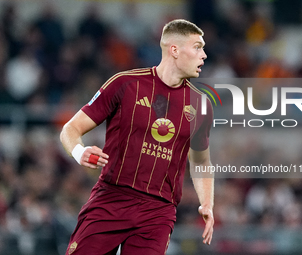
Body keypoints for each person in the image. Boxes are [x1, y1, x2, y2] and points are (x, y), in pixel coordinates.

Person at [60, 19, 214, 255]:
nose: (203, 55)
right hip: (111, 199)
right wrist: (80, 152)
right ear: (174, 49)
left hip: (158, 212)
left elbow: (201, 161)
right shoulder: (125, 83)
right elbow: (70, 129)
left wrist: (207, 203)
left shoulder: (201, 105)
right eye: (197, 47)